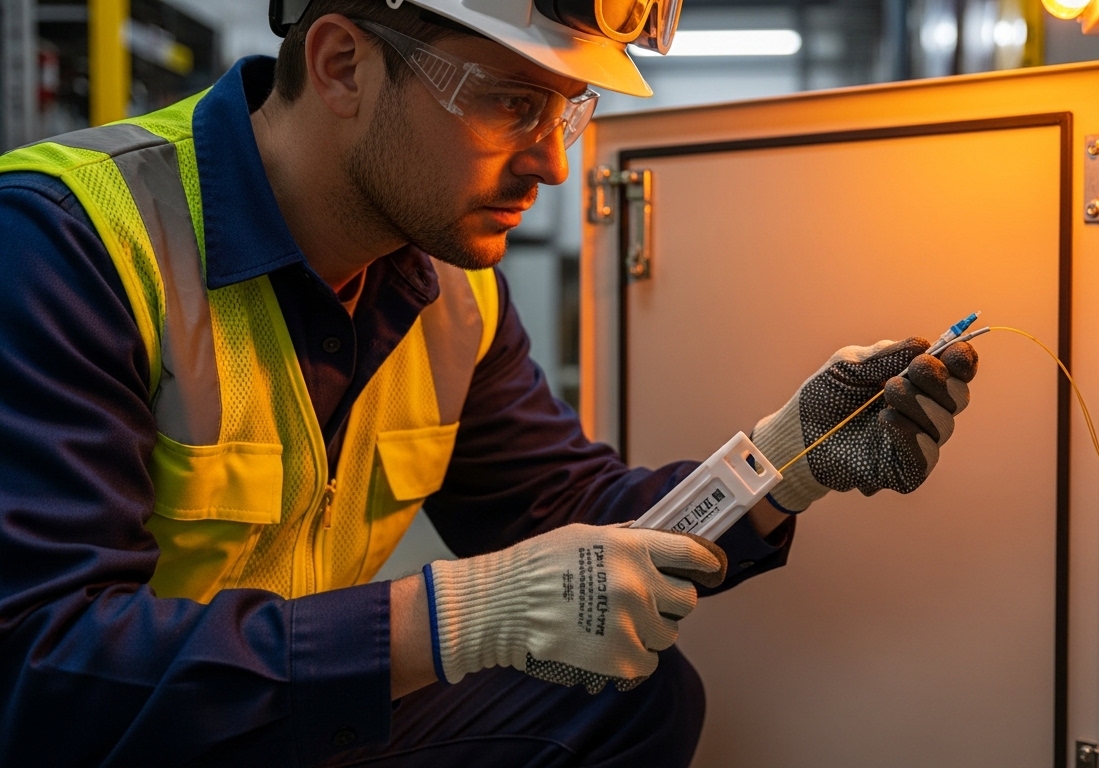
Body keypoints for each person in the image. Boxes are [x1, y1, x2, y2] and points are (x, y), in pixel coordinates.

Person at [0, 0, 978, 765]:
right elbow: (41, 672)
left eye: (569, 109)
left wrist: (783, 460)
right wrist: (455, 618)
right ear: (342, 63)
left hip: (272, 729)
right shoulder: (66, 246)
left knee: (632, 695)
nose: (553, 161)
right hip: (111, 744)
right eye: (514, 101)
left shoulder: (449, 295)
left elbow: (569, 514)